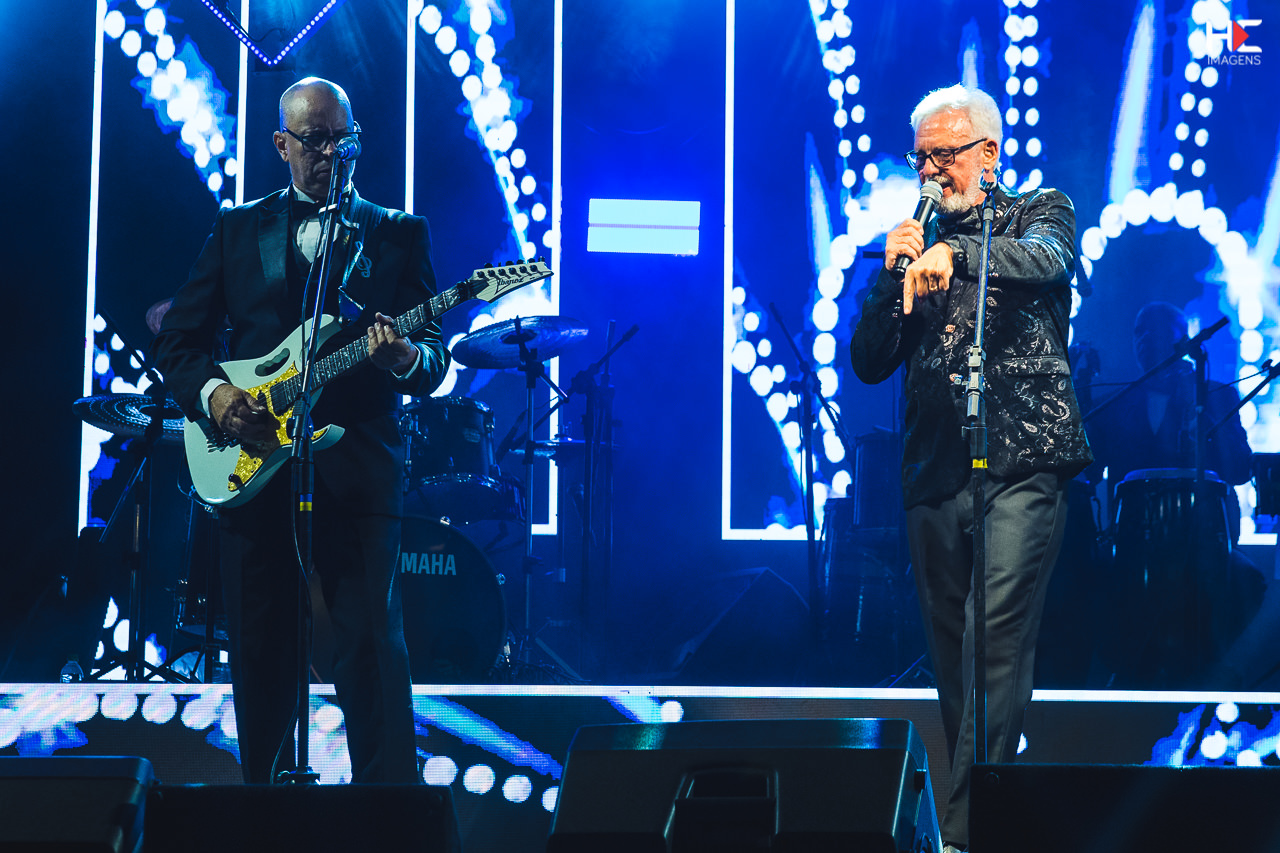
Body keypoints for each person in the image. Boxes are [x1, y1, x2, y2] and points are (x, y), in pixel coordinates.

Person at [153, 78, 449, 783]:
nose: (329, 153)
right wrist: (219, 396)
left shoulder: (398, 233)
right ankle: (264, 810)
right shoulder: (237, 227)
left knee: (371, 651)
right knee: (260, 652)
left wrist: (406, 358)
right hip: (253, 467)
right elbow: (178, 341)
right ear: (281, 144)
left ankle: (387, 812)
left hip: (358, 469)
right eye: (313, 140)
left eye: (342, 139)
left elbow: (434, 359)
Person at [850, 84, 1091, 852]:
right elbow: (868, 361)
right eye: (919, 158)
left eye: (942, 156)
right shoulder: (914, 239)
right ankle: (988, 818)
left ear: (987, 153)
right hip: (933, 471)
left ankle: (959, 837)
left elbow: (1046, 261)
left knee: (993, 643)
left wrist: (957, 254)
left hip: (1021, 461)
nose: (928, 172)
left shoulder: (1039, 212)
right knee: (954, 664)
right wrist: (892, 276)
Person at [1085, 301, 1256, 687]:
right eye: (1139, 331)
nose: (1145, 340)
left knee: (1248, 587)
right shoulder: (1118, 401)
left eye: (1157, 330)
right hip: (1132, 549)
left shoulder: (1215, 394)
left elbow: (1240, 470)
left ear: (1182, 341)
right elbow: (1089, 470)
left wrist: (1204, 419)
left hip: (1206, 547)